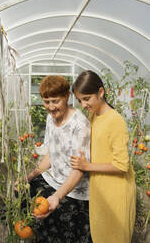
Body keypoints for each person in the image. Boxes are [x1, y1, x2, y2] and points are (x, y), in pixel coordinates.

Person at [70, 70, 136, 243]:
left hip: (116, 192)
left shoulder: (115, 121)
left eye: (86, 98)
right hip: (100, 189)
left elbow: (122, 165)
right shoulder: (94, 115)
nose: (83, 104)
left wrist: (86, 166)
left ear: (100, 92)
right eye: (79, 100)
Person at [27, 75, 92, 243]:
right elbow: (51, 155)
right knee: (24, 191)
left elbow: (79, 170)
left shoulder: (80, 125)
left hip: (75, 189)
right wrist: (29, 176)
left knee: (60, 225)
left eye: (55, 101)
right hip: (54, 179)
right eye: (46, 102)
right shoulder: (51, 118)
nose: (51, 107)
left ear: (67, 97)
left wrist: (57, 197)